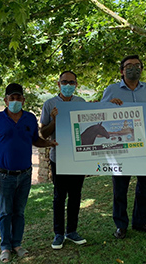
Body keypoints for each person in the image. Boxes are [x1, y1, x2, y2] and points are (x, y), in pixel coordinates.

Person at [0, 83, 57, 263]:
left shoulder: (30, 118)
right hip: (4, 174)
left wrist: (48, 144)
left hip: (25, 174)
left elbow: (36, 140)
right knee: (5, 212)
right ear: (5, 100)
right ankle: (5, 247)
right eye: (12, 98)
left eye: (18, 98)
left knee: (19, 212)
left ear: (23, 100)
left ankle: (17, 244)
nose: (15, 101)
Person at [101, 55, 146, 239]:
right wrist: (109, 105)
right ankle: (121, 225)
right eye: (129, 66)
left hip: (145, 147)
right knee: (120, 188)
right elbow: (100, 115)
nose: (133, 68)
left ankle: (141, 222)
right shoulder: (112, 89)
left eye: (137, 65)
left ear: (142, 69)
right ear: (121, 71)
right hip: (121, 148)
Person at [40, 71, 87, 249]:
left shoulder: (81, 103)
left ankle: (72, 231)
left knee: (76, 196)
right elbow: (43, 133)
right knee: (59, 197)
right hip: (58, 158)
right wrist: (54, 120)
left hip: (78, 158)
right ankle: (58, 233)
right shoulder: (49, 104)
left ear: (76, 84)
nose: (68, 85)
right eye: (64, 82)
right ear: (58, 84)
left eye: (72, 82)